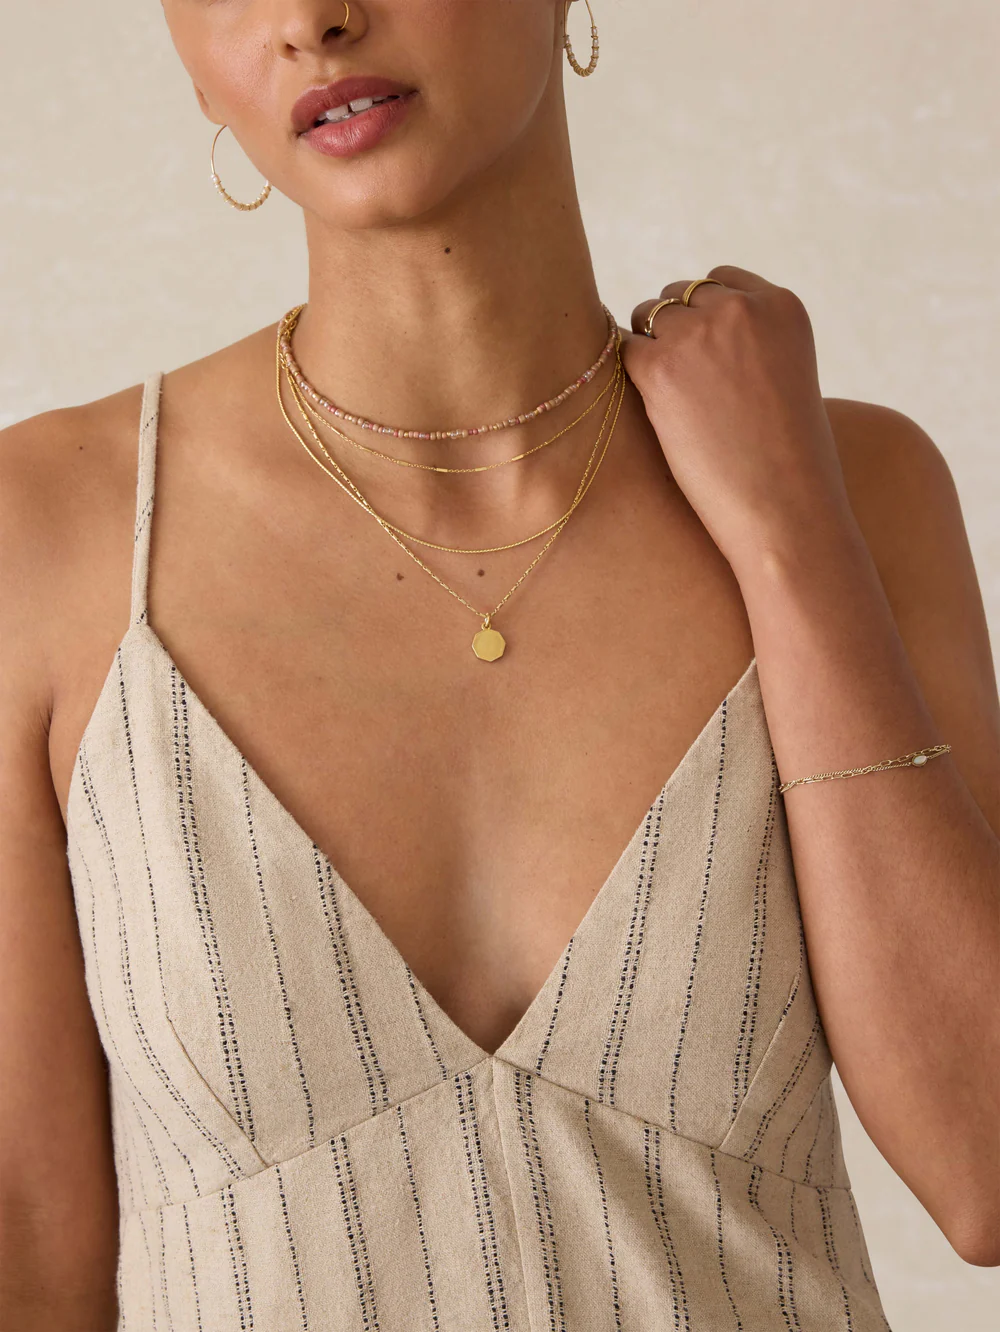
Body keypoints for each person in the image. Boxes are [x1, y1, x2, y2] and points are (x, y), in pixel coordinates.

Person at [2, 1, 997, 1327]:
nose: (314, 21)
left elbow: (985, 1164)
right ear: (191, 68)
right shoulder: (48, 538)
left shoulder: (852, 488)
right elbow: (27, 1253)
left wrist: (787, 532)